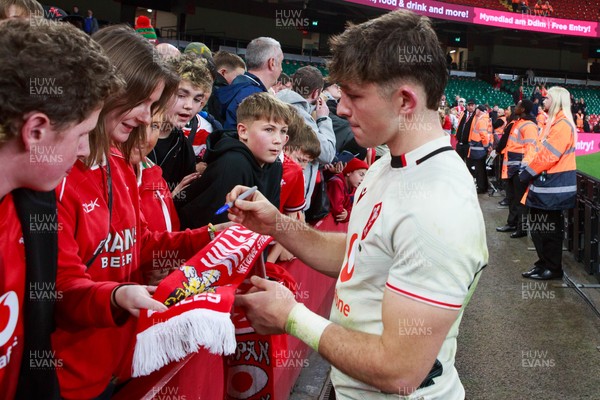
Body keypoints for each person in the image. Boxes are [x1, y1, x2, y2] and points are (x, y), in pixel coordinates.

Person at [230, 9, 488, 399]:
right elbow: (360, 252)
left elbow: (400, 371)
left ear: (404, 101)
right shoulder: (392, 161)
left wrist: (291, 317)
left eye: (354, 95)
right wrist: (278, 224)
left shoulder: (439, 205)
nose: (342, 108)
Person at [52, 26, 220, 399]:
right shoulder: (56, 175)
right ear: (107, 89)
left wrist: (210, 237)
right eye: (141, 102)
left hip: (115, 364)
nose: (146, 118)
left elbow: (141, 246)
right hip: (65, 378)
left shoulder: (121, 162)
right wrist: (115, 297)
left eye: (153, 105)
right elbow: (57, 287)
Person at [0, 17, 117, 400]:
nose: (85, 150)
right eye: (82, 135)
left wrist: (114, 299)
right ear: (36, 132)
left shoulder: (35, 198)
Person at [178, 92, 291, 228]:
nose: (278, 140)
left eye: (283, 131)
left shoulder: (275, 165)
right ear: (243, 131)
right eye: (269, 130)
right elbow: (213, 231)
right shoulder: (233, 164)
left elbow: (269, 223)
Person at [520, 86, 576, 280]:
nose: (543, 100)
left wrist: (527, 172)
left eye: (547, 98)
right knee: (538, 227)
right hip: (546, 186)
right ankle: (543, 263)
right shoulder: (554, 123)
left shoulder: (562, 124)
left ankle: (552, 267)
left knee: (548, 230)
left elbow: (549, 156)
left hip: (553, 187)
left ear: (557, 101)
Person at [147, 54, 212, 193]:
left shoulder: (183, 145)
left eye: (196, 99)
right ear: (162, 92)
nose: (189, 106)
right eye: (181, 95)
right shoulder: (133, 136)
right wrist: (169, 197)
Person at [277, 66, 336, 210]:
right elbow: (326, 153)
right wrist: (323, 119)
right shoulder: (301, 115)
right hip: (291, 199)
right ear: (316, 93)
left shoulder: (279, 101)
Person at [214, 37, 283, 128]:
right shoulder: (254, 96)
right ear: (272, 63)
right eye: (281, 62)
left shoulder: (237, 87)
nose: (281, 69)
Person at [496, 100, 539, 238]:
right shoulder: (518, 122)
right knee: (513, 198)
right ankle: (512, 223)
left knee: (521, 200)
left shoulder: (529, 126)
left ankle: (522, 228)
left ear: (524, 109)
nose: (516, 107)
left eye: (519, 106)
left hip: (520, 169)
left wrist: (524, 170)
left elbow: (531, 149)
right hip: (513, 168)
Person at [326, 157, 368, 223]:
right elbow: (338, 212)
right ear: (349, 172)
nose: (363, 179)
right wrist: (349, 214)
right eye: (361, 175)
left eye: (364, 177)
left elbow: (356, 208)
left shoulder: (354, 188)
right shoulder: (336, 183)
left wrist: (348, 214)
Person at [468, 105, 491, 194]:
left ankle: (481, 187)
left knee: (479, 170)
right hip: (481, 148)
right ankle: (483, 186)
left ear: (480, 110)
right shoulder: (486, 119)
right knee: (481, 169)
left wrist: (486, 146)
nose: (475, 110)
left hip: (479, 149)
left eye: (477, 109)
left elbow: (483, 135)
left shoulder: (481, 120)